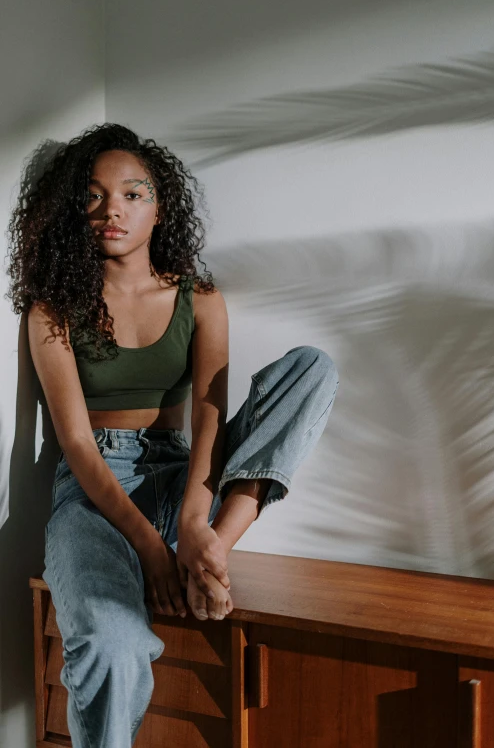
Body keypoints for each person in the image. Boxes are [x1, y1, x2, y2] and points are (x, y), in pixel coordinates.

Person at [6, 123, 339, 747]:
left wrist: (192, 527)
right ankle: (196, 561)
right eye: (95, 196)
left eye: (133, 194)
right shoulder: (52, 308)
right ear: (75, 211)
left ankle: (212, 554)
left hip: (184, 477)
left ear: (161, 208)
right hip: (91, 497)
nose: (113, 210)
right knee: (110, 642)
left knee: (311, 369)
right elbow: (75, 443)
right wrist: (153, 552)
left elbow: (211, 414)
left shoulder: (201, 297)